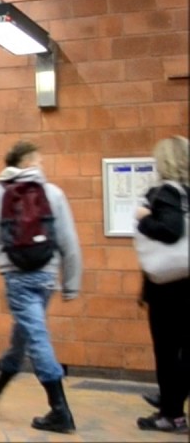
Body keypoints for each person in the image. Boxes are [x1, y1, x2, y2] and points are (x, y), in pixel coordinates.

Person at [0, 140, 83, 434]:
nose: (41, 166)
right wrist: (71, 284)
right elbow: (69, 242)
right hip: (47, 276)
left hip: (17, 276)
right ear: (27, 162)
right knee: (24, 336)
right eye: (38, 161)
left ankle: (60, 410)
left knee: (36, 337)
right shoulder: (53, 193)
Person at [133, 136, 189, 434]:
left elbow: (170, 230)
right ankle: (172, 401)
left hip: (169, 288)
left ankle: (171, 413)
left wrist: (144, 218)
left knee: (167, 353)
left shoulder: (165, 192)